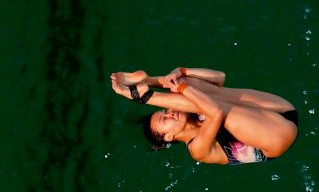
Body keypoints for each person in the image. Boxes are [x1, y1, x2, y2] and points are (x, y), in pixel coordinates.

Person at [110, 67, 298, 165]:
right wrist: (182, 89)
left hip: (282, 110)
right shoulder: (197, 150)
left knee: (187, 86)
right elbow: (214, 113)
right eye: (164, 119)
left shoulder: (190, 112)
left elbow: (219, 77)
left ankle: (147, 81)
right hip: (277, 138)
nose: (170, 113)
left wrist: (181, 73)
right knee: (204, 104)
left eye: (164, 111)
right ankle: (143, 96)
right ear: (169, 137)